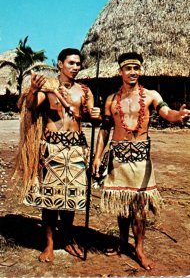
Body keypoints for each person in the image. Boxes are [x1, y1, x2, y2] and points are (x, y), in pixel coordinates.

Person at [92, 52, 190, 270]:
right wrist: (98, 156)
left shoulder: (152, 95)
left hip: (140, 159)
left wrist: (178, 115)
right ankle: (121, 242)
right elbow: (105, 130)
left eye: (136, 68)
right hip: (117, 158)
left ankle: (139, 249)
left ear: (140, 70)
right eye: (128, 68)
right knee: (122, 204)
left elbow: (166, 112)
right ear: (120, 71)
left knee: (139, 208)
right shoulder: (110, 100)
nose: (133, 72)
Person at [15, 48, 100, 262]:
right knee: (51, 200)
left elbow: (91, 116)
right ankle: (50, 244)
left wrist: (96, 115)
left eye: (78, 64)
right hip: (53, 148)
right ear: (60, 64)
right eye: (71, 63)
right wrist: (33, 91)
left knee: (71, 198)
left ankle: (68, 238)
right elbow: (32, 106)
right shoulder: (49, 87)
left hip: (77, 149)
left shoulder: (84, 90)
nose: (75, 67)